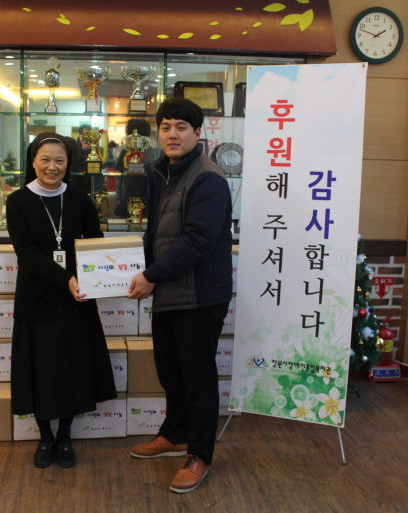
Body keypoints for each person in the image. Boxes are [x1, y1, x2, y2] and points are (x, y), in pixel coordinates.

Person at [127, 98, 233, 493]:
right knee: (171, 372)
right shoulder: (162, 171)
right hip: (170, 290)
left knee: (197, 379)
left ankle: (200, 454)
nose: (172, 134)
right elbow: (158, 233)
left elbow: (197, 241)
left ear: (197, 133)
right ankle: (174, 435)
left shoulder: (208, 178)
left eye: (181, 127)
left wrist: (150, 275)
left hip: (200, 295)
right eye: (166, 126)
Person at [5, 132, 117, 469]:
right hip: (37, 297)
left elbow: (95, 243)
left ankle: (65, 437)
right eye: (45, 160)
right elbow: (27, 253)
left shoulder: (80, 199)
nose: (52, 167)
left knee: (72, 369)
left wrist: (102, 276)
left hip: (76, 298)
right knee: (40, 370)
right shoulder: (18, 201)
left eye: (59, 160)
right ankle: (45, 438)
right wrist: (66, 279)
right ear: (33, 162)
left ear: (69, 163)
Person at [113, 118, 157, 219]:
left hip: (130, 201)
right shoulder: (151, 153)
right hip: (146, 202)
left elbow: (119, 172)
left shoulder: (127, 152)